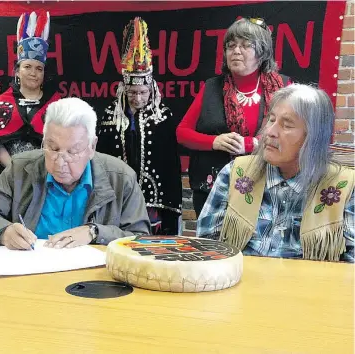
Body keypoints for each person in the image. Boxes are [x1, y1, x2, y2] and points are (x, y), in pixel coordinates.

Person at [0, 97, 151, 250]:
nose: (60, 161)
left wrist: (95, 232)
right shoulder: (21, 168)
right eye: (52, 148)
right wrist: (3, 232)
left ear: (91, 147)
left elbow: (141, 239)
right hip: (31, 277)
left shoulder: (120, 177)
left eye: (72, 151)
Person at [196, 84, 354, 263]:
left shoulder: (344, 186)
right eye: (271, 120)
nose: (269, 132)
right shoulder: (236, 173)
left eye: (286, 125)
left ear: (313, 137)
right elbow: (207, 248)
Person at [177, 17, 290, 216]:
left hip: (266, 188)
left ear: (262, 52)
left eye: (246, 45)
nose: (236, 51)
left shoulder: (283, 88)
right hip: (213, 190)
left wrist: (252, 145)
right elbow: (182, 133)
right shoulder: (211, 87)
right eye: (231, 46)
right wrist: (214, 141)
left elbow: (293, 135)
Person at [96, 17, 182, 235]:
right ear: (123, 90)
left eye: (143, 92)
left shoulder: (163, 117)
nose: (138, 98)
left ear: (152, 89)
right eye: (132, 92)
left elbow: (169, 165)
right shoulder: (109, 116)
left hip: (154, 199)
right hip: (119, 195)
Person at [0, 10, 60, 200]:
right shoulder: (3, 102)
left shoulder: (56, 103)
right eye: (27, 67)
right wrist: (15, 168)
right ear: (17, 71)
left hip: (48, 175)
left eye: (39, 69)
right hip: (10, 176)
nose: (33, 73)